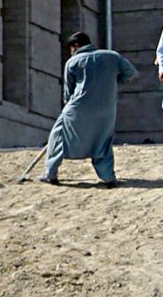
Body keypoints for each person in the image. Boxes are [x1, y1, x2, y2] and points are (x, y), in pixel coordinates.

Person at [42, 32, 138, 187]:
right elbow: (131, 73)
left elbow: (69, 91)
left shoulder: (73, 61)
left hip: (79, 106)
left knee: (58, 135)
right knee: (103, 140)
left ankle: (50, 173)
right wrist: (113, 81)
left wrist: (67, 106)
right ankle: (108, 177)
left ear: (76, 46)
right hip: (107, 108)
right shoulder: (113, 56)